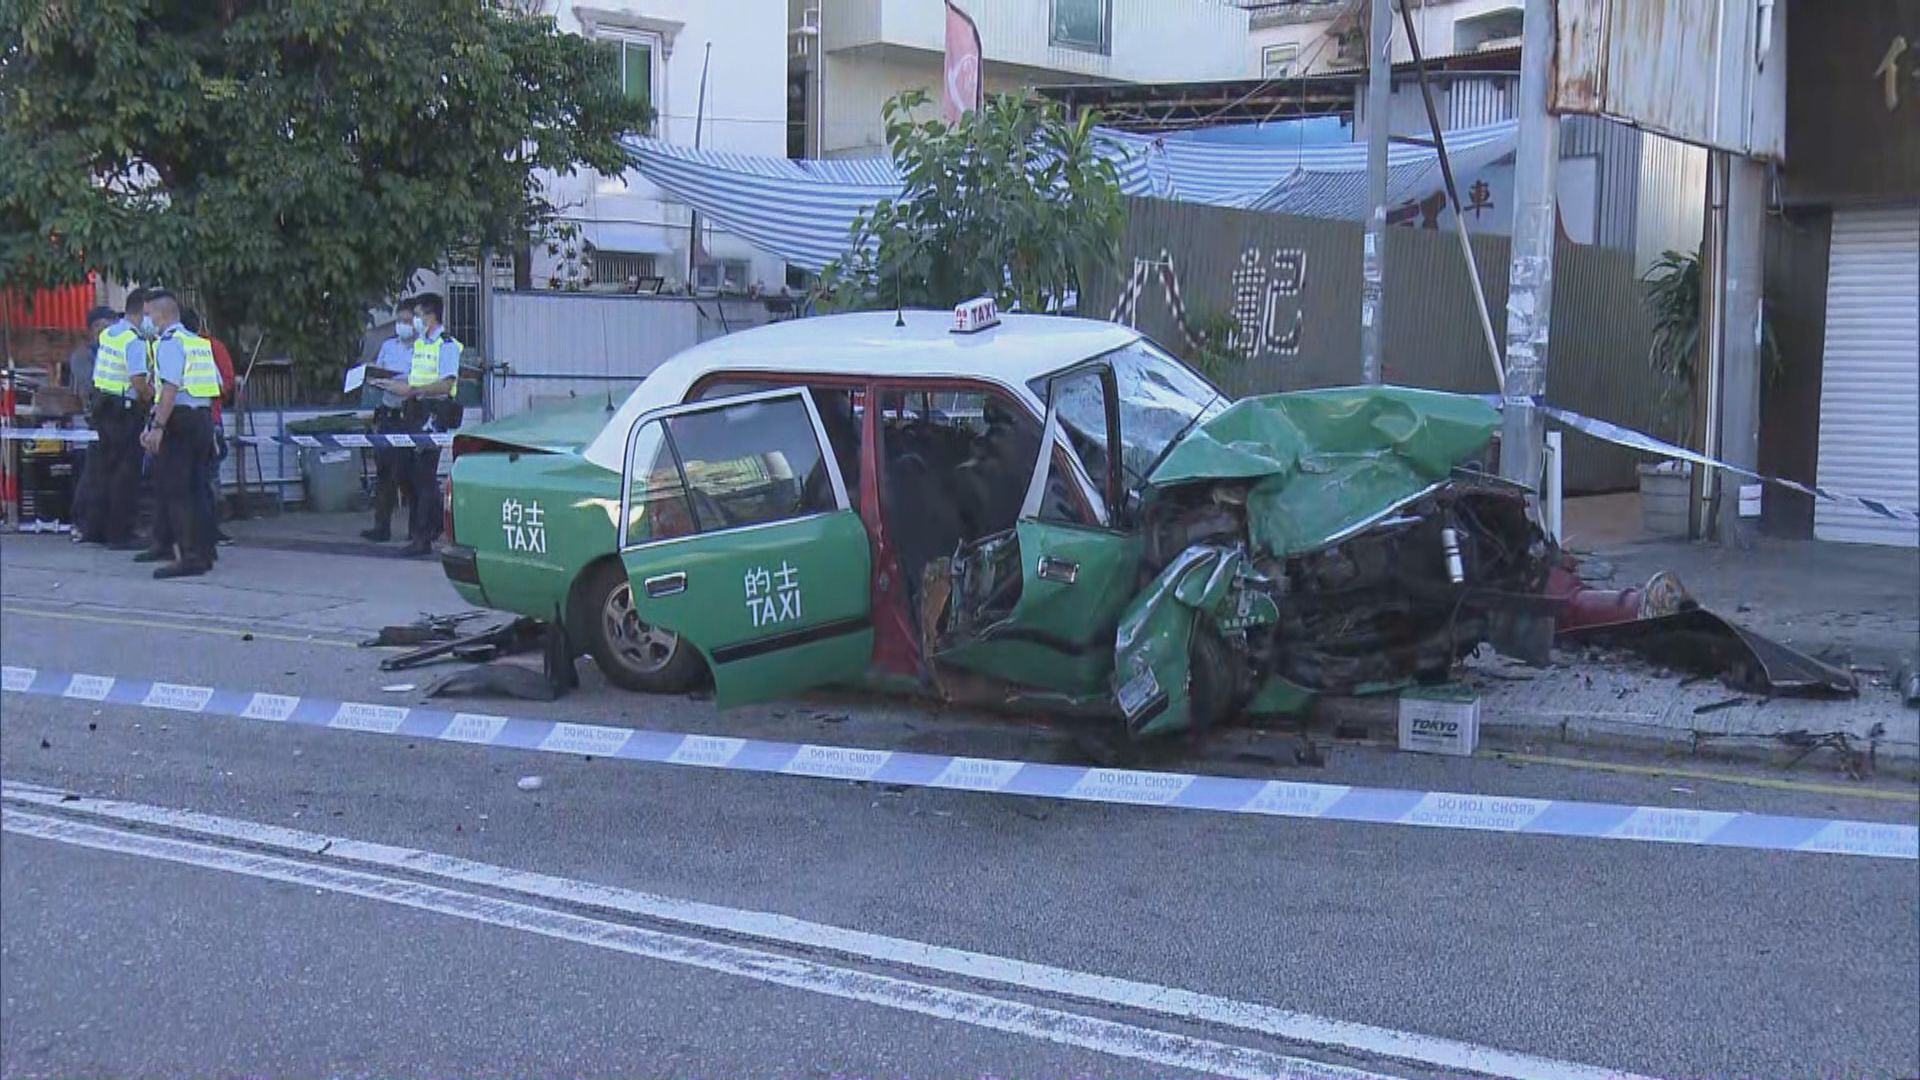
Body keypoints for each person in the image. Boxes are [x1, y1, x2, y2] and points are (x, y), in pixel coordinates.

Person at [136, 291, 221, 578]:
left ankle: (187, 555)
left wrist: (157, 427)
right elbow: (217, 384)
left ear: (160, 315)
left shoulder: (169, 343)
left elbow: (169, 390)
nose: (146, 320)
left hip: (180, 421)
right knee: (197, 489)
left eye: (148, 314)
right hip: (202, 419)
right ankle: (205, 551)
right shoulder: (198, 343)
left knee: (177, 491)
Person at [381, 292, 461, 557]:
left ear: (430, 316)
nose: (413, 321)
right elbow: (414, 378)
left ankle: (422, 536)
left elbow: (447, 383)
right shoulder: (421, 344)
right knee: (404, 472)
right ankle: (433, 524)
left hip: (433, 414)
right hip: (413, 412)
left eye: (417, 315)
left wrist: (413, 390)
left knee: (423, 476)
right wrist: (394, 386)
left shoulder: (446, 345)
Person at [82, 289, 154, 548]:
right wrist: (151, 395)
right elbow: (138, 381)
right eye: (151, 312)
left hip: (104, 407)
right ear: (143, 309)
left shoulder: (111, 333)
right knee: (126, 475)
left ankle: (96, 530)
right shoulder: (133, 340)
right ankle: (119, 534)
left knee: (105, 472)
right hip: (123, 411)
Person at [362, 299, 416, 543]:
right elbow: (378, 371)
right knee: (383, 472)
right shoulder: (388, 347)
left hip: (410, 414)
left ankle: (417, 531)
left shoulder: (423, 349)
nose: (402, 326)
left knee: (408, 474)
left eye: (407, 321)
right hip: (388, 412)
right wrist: (373, 378)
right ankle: (381, 526)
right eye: (399, 321)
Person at [65, 306, 116, 543]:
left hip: (114, 424)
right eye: (101, 327)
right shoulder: (83, 356)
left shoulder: (115, 353)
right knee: (90, 478)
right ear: (92, 330)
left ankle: (102, 526)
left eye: (110, 327)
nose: (106, 332)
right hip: (90, 424)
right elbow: (89, 388)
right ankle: (82, 523)